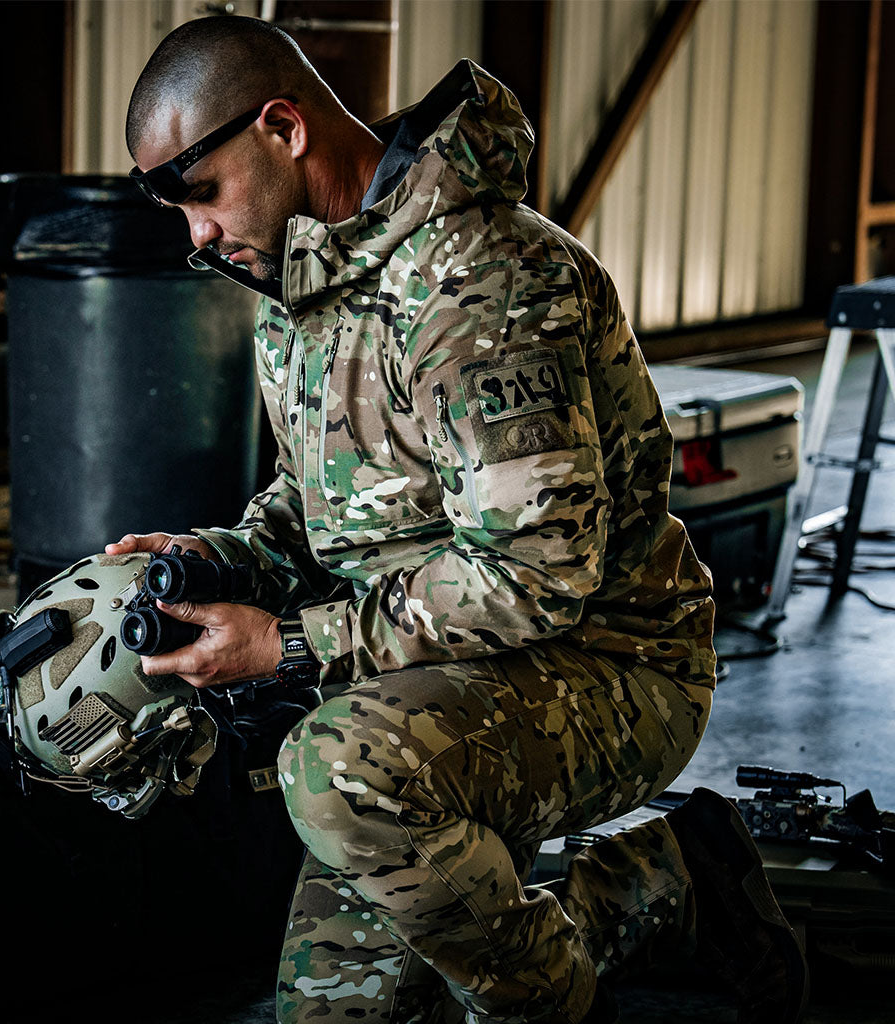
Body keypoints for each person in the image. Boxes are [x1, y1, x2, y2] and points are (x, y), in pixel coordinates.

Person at [110, 15, 807, 1024]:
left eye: (200, 192)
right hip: (424, 684)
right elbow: (313, 509)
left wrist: (291, 643)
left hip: (608, 663)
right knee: (332, 1011)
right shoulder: (298, 290)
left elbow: (535, 574)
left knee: (335, 769)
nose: (197, 233)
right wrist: (222, 559)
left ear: (282, 128)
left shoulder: (483, 280)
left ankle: (566, 979)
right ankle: (656, 879)